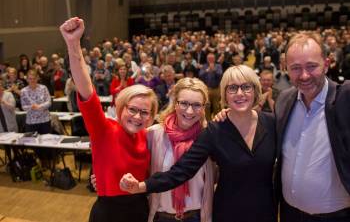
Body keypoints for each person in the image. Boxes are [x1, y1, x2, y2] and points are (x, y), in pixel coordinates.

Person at [121, 65, 277, 222]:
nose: (240, 93)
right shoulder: (213, 132)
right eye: (233, 88)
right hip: (226, 212)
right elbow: (181, 171)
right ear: (224, 95)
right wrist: (131, 183)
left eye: (246, 87)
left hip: (263, 212)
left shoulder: (271, 123)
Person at [60, 17, 158, 222]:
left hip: (141, 211)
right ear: (121, 108)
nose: (137, 116)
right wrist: (73, 44)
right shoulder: (104, 129)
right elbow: (86, 88)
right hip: (108, 214)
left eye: (144, 112)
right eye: (132, 109)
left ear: (151, 116)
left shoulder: (149, 136)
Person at [275, 32, 350, 221]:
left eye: (311, 66)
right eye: (295, 68)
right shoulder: (284, 100)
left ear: (327, 63)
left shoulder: (345, 98)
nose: (304, 75)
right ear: (286, 68)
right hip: (289, 214)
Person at [147, 77, 215, 222]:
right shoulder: (154, 134)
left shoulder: (209, 137)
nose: (190, 111)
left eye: (197, 105)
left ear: (204, 107)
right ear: (175, 102)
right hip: (162, 217)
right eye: (184, 103)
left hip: (196, 217)